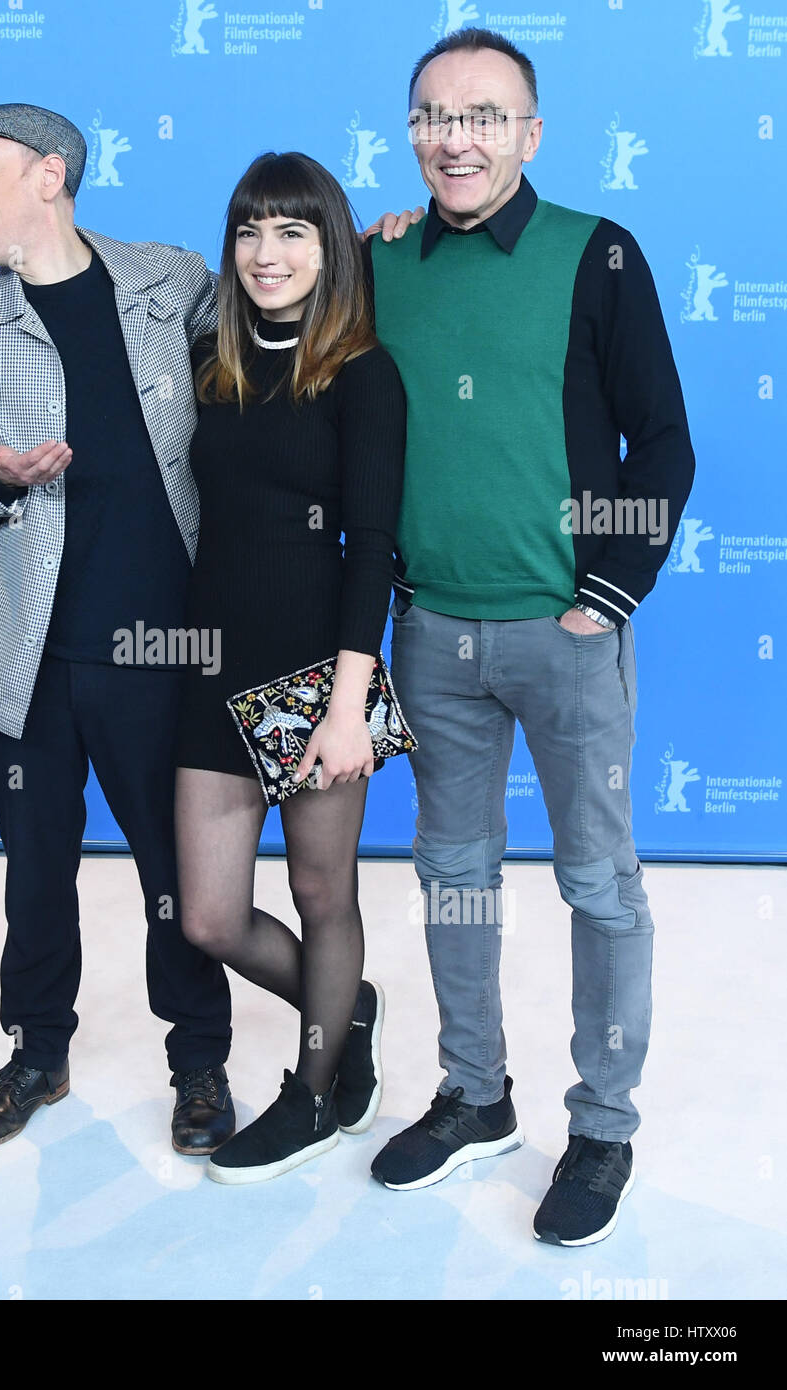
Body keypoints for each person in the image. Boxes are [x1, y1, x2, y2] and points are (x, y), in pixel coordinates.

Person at [364, 28, 695, 1244]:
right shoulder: (377, 259)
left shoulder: (594, 255)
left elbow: (661, 442)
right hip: (430, 636)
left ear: (528, 133)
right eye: (435, 117)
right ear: (410, 135)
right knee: (453, 879)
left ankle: (601, 1126)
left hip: (563, 639)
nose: (456, 138)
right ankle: (473, 1093)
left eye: (483, 117)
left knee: (598, 885)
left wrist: (605, 594)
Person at [0, 103, 235, 1153]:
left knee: (174, 875)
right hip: (26, 648)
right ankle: (37, 1051)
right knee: (34, 868)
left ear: (50, 176)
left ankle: (200, 1061)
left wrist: (368, 249)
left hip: (162, 649)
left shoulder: (168, 281)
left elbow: (277, 330)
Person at [169, 153, 405, 1184]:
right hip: (212, 672)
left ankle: (310, 1092)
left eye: (293, 233)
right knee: (209, 915)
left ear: (328, 249)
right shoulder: (207, 364)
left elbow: (371, 546)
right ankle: (342, 1004)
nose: (266, 255)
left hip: (318, 681)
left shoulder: (362, 373)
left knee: (323, 896)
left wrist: (347, 704)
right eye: (249, 232)